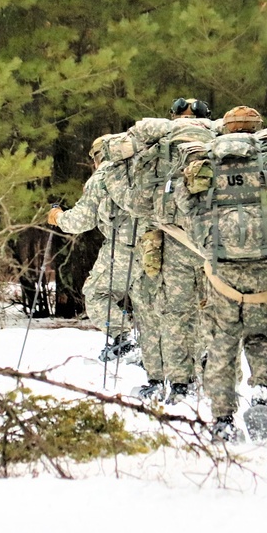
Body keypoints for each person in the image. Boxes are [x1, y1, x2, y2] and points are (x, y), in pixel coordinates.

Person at [180, 106, 267, 442]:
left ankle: (222, 419)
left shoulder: (205, 162)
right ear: (257, 128)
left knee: (221, 343)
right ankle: (261, 392)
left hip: (221, 269)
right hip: (264, 266)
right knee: (263, 335)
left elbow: (185, 203)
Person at [124, 98, 218, 405]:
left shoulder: (160, 144)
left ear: (174, 116)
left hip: (172, 239)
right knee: (210, 313)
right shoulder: (220, 141)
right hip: (212, 240)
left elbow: (138, 203)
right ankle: (210, 378)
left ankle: (179, 383)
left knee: (176, 314)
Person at [48, 135, 140, 363]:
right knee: (150, 301)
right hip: (161, 245)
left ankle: (124, 339)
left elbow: (81, 221)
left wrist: (58, 217)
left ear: (97, 157)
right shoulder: (144, 171)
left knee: (98, 295)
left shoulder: (102, 176)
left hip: (123, 247)